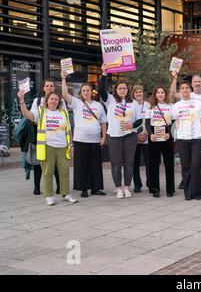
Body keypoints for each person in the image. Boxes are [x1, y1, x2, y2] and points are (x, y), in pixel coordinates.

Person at [18, 90, 77, 206]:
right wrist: (21, 100)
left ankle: (65, 194)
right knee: (47, 172)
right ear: (47, 100)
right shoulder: (41, 112)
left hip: (63, 147)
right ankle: (49, 196)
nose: (54, 101)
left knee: (64, 172)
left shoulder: (64, 113)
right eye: (51, 99)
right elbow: (27, 115)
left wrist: (71, 145)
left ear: (59, 101)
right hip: (47, 147)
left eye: (56, 99)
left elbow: (69, 130)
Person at [61, 70, 107, 198]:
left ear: (91, 92)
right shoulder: (77, 103)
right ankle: (83, 189)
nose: (86, 92)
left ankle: (96, 188)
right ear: (80, 93)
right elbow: (64, 94)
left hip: (95, 140)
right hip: (80, 140)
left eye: (88, 90)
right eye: (84, 91)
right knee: (82, 165)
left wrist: (104, 136)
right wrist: (63, 78)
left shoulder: (98, 105)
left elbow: (103, 122)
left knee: (95, 165)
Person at [98, 64, 141, 199]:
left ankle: (127, 187)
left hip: (130, 136)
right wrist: (104, 73)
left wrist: (131, 125)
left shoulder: (133, 103)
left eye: (124, 88)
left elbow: (139, 121)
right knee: (116, 163)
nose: (122, 90)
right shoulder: (110, 100)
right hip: (114, 136)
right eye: (120, 88)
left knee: (129, 163)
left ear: (128, 90)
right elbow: (101, 91)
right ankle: (118, 189)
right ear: (116, 90)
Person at [172, 80, 201, 200]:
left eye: (186, 88)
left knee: (196, 165)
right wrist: (178, 135)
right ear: (180, 91)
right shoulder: (176, 106)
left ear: (190, 90)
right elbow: (176, 122)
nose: (185, 90)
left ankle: (197, 192)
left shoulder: (198, 104)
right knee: (185, 166)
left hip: (197, 139)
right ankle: (188, 193)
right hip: (183, 139)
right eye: (182, 88)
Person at [30, 78, 67, 195]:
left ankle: (59, 187)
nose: (49, 88)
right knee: (38, 162)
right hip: (39, 134)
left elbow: (64, 116)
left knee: (56, 163)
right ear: (43, 88)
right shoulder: (37, 101)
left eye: (51, 86)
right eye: (47, 86)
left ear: (54, 88)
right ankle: (37, 187)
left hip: (56, 133)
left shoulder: (59, 100)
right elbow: (32, 117)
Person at [148, 85, 175, 198]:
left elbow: (174, 123)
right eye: (158, 92)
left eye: (162, 92)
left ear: (165, 94)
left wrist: (170, 134)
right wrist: (151, 134)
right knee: (153, 164)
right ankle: (155, 189)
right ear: (155, 94)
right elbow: (146, 123)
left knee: (169, 163)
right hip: (154, 135)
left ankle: (170, 189)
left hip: (166, 135)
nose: (160, 94)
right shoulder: (151, 107)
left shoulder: (171, 106)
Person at [131, 85, 151, 194]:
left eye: (140, 92)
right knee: (135, 163)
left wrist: (147, 133)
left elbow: (151, 121)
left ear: (143, 93)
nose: (138, 94)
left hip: (147, 137)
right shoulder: (130, 106)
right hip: (134, 138)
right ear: (133, 94)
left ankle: (150, 183)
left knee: (149, 162)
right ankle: (137, 185)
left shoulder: (149, 105)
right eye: (136, 92)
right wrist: (137, 135)